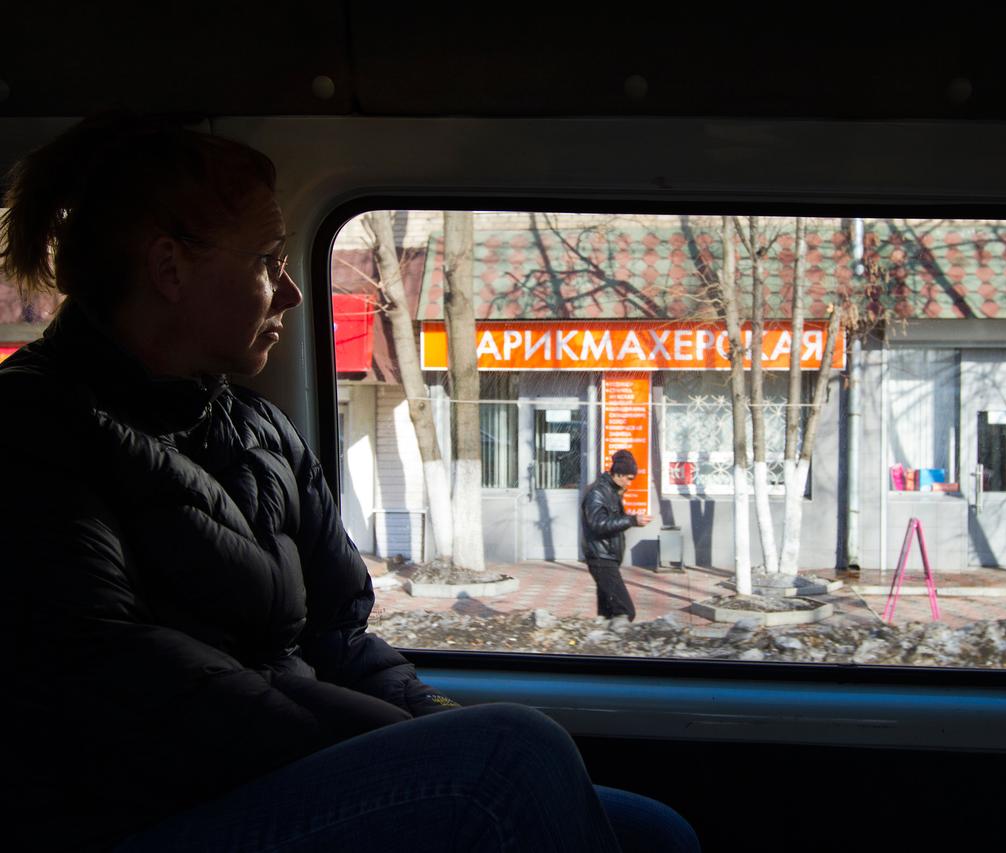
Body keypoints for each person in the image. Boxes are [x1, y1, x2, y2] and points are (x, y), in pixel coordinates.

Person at [0, 114, 697, 853]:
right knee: (509, 756)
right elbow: (132, 693)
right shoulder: (32, 431)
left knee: (653, 832)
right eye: (269, 261)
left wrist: (429, 715)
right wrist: (392, 745)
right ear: (169, 268)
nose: (293, 294)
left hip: (262, 765)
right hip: (128, 811)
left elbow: (336, 633)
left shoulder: (255, 427)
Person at [581, 449, 652, 621]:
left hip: (607, 557)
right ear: (618, 474)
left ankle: (603, 643)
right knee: (625, 611)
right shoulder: (598, 493)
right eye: (628, 478)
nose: (630, 483)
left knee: (608, 614)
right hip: (601, 558)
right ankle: (616, 642)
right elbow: (598, 524)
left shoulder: (612, 492)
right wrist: (631, 521)